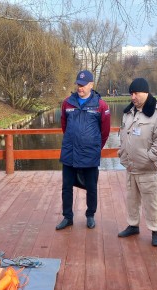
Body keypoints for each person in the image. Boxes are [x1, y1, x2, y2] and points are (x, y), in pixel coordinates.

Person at [117, 77, 157, 247]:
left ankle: (155, 230)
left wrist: (149, 157)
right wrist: (122, 152)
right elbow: (123, 134)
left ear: (146, 93)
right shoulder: (128, 112)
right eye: (131, 93)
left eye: (136, 93)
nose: (133, 97)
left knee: (152, 200)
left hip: (147, 167)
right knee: (132, 198)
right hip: (131, 165)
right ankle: (133, 225)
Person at [56, 70, 111, 230]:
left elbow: (105, 131)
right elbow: (64, 125)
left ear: (91, 85)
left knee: (91, 187)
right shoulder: (67, 103)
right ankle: (67, 217)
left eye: (83, 85)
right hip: (69, 153)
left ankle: (90, 215)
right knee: (66, 186)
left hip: (90, 154)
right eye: (78, 85)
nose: (80, 88)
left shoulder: (101, 105)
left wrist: (95, 147)